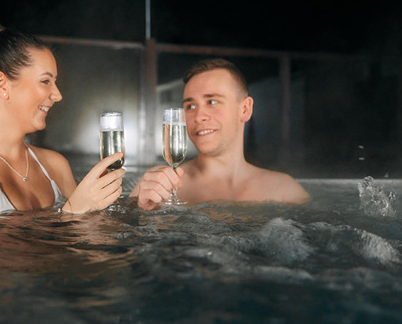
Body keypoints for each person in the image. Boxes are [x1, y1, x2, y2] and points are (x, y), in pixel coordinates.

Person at [0, 16, 124, 215]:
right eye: (45, 81)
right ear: (2, 85)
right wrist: (71, 213)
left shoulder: (55, 165)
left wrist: (139, 201)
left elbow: (92, 239)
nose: (58, 95)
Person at [131, 58, 309, 210]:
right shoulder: (156, 185)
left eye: (212, 101)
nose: (199, 116)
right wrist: (142, 212)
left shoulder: (285, 191)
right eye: (190, 106)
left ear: (245, 109)